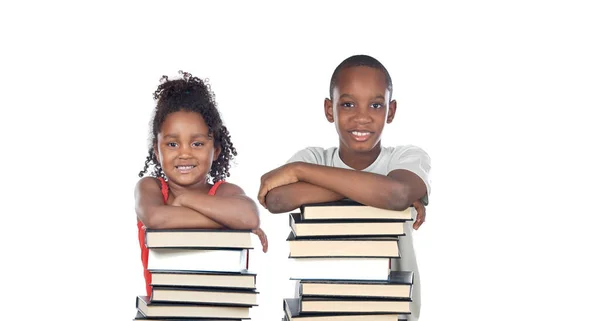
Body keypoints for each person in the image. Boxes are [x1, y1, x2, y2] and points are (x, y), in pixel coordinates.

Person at [257, 55, 431, 321]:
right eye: (348, 104)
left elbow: (397, 194)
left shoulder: (406, 157)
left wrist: (300, 174)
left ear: (391, 111)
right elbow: (277, 199)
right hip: (320, 311)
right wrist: (376, 191)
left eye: (375, 105)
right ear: (330, 110)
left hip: (389, 312)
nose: (362, 117)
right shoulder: (315, 157)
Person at [135, 71, 268, 297]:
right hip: (165, 310)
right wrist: (229, 221)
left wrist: (185, 199)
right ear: (157, 151)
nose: (184, 153)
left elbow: (250, 216)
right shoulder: (151, 188)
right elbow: (157, 218)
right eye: (172, 144)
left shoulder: (225, 191)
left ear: (215, 149)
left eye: (197, 143)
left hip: (221, 309)